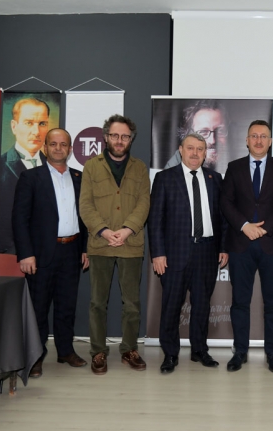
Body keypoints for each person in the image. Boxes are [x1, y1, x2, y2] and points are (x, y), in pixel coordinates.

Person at [148, 133, 229, 374]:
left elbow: (222, 218)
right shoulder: (165, 178)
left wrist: (223, 247)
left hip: (207, 252)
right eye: (190, 148)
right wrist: (158, 253)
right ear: (181, 150)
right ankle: (170, 354)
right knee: (171, 305)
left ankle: (199, 350)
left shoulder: (215, 179)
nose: (195, 153)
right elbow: (155, 220)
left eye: (200, 149)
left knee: (202, 305)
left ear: (205, 153)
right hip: (175, 254)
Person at [12, 128, 89, 377]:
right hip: (41, 253)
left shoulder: (79, 177)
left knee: (67, 306)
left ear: (70, 149)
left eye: (63, 144)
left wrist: (85, 248)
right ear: (45, 148)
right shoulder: (31, 177)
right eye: (53, 144)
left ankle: (65, 351)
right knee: (38, 308)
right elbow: (19, 219)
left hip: (72, 251)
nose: (58, 148)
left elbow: (85, 217)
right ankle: (35, 356)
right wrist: (26, 254)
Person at [220, 120, 273, 373]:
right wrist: (244, 226)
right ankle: (240, 351)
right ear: (247, 140)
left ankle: (272, 352)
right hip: (241, 244)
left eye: (263, 136)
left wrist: (265, 228)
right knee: (240, 301)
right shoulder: (234, 167)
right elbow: (226, 202)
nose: (259, 140)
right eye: (254, 136)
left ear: (270, 141)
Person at [79, 114, 151, 375]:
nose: (120, 140)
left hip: (131, 244)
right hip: (100, 243)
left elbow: (144, 203)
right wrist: (105, 231)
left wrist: (127, 230)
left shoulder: (140, 168)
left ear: (131, 140)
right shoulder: (91, 167)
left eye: (125, 137)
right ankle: (98, 351)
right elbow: (85, 205)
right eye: (115, 135)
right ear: (106, 137)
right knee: (98, 303)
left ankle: (129, 349)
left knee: (132, 303)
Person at [0, 98, 50, 253]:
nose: (36, 132)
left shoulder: (55, 168)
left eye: (42, 124)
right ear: (14, 126)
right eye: (28, 123)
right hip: (12, 254)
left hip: (49, 253)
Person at [164, 100, 228, 171]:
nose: (212, 140)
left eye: (220, 131)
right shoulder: (179, 160)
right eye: (204, 132)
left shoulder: (235, 159)